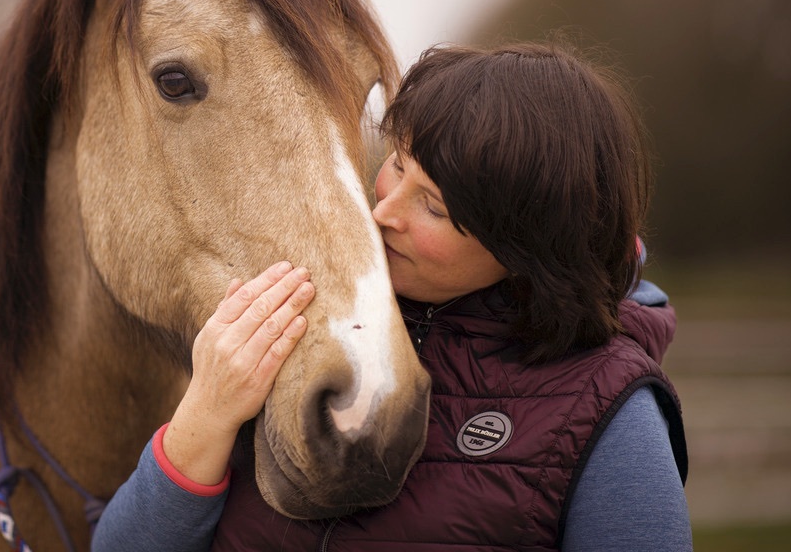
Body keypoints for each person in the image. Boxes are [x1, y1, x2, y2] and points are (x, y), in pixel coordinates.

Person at [91, 42, 692, 552]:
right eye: (396, 165)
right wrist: (205, 415)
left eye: (432, 205)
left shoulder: (609, 413)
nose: (382, 212)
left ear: (524, 245)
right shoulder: (307, 323)